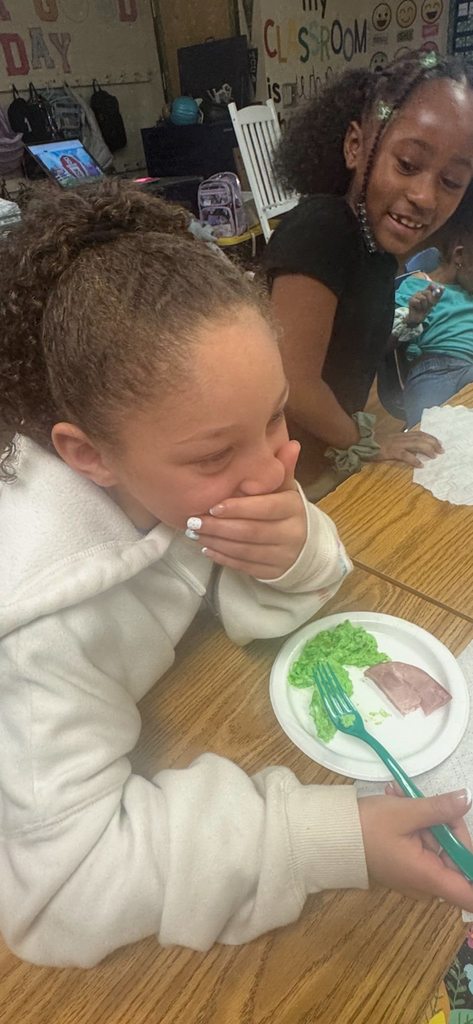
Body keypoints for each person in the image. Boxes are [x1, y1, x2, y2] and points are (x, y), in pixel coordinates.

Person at [1, 180, 473, 970]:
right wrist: (327, 839)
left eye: (274, 418)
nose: (273, 470)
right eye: (217, 455)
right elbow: (61, 888)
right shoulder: (42, 624)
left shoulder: (180, 462)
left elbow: (278, 588)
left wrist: (293, 551)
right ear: (88, 456)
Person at [264, 51, 473, 489]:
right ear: (356, 146)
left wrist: (405, 326)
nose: (425, 196)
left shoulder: (376, 251)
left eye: (451, 182)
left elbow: (347, 345)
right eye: (408, 165)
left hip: (327, 456)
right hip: (285, 477)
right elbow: (295, 384)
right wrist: (369, 442)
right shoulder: (324, 228)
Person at [388, 209, 473, 426]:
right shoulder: (418, 285)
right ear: (459, 255)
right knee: (430, 432)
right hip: (432, 369)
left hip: (470, 366)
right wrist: (412, 318)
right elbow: (382, 341)